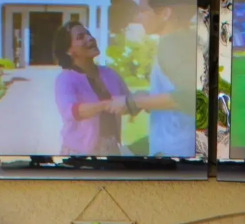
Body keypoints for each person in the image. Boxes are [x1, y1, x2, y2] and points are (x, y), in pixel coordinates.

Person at [126, 0, 199, 157]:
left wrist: (134, 102)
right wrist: (148, 96)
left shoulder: (172, 44)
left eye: (143, 11)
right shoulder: (183, 40)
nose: (138, 18)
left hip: (176, 153)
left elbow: (190, 97)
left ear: (166, 13)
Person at [52, 22, 132, 156]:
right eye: (80, 37)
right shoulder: (66, 79)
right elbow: (72, 111)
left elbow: (128, 101)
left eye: (88, 34)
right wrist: (106, 105)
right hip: (78, 153)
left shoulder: (110, 74)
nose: (90, 38)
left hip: (111, 150)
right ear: (69, 50)